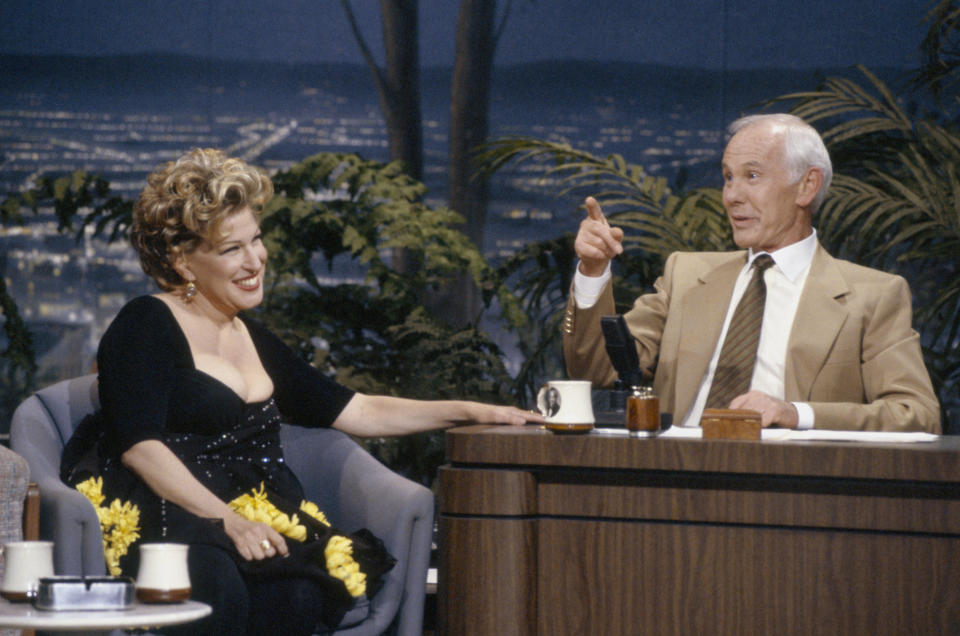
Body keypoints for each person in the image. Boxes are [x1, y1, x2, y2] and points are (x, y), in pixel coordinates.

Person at [61, 148, 543, 636]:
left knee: (299, 593)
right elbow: (140, 449)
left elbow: (361, 411)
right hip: (173, 516)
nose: (256, 260)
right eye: (232, 249)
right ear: (184, 261)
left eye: (257, 240)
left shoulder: (249, 334)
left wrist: (473, 410)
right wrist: (229, 521)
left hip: (253, 520)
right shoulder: (145, 323)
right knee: (217, 583)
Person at [563, 113, 940, 433]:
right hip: (673, 474)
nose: (731, 195)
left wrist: (795, 414)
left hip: (786, 489)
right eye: (728, 177)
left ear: (807, 185)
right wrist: (593, 272)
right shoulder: (686, 275)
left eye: (752, 176)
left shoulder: (873, 295)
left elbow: (917, 414)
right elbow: (598, 371)